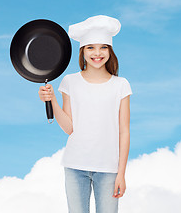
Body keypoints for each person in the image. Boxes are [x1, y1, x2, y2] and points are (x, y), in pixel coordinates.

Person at [38, 15, 132, 213]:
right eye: (90, 47)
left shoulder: (120, 85)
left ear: (110, 51)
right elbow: (69, 128)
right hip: (75, 166)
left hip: (108, 169)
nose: (97, 53)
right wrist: (52, 99)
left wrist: (121, 173)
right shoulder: (70, 82)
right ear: (82, 51)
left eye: (103, 47)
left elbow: (124, 132)